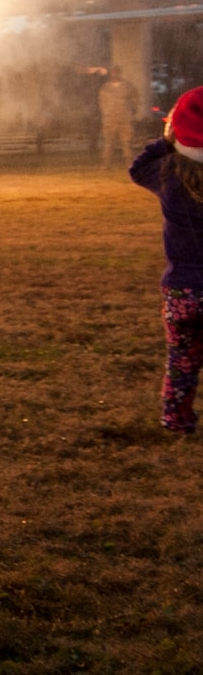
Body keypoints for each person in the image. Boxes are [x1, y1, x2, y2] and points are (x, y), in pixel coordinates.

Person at [129, 87, 203, 434]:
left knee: (182, 361)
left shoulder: (166, 174)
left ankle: (176, 419)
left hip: (181, 292)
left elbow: (136, 167)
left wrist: (168, 139)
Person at [100, 65, 141, 170]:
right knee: (109, 142)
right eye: (113, 72)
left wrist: (131, 111)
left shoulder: (128, 87)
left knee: (126, 142)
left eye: (117, 72)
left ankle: (130, 164)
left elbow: (135, 100)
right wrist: (107, 112)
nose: (115, 74)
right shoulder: (105, 88)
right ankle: (106, 165)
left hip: (125, 118)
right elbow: (102, 102)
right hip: (110, 119)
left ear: (120, 73)